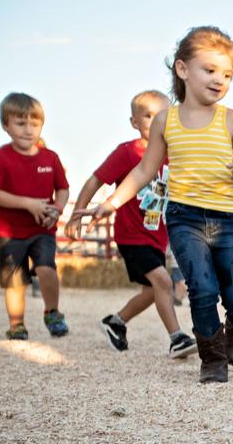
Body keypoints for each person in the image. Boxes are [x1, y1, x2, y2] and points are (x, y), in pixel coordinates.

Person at [81, 26, 233, 383]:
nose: (219, 80)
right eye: (209, 70)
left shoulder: (232, 119)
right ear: (182, 69)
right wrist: (111, 202)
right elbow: (145, 170)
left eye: (227, 74)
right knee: (202, 288)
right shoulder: (166, 121)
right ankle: (212, 359)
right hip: (184, 219)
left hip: (227, 219)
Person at [65, 90, 197, 358]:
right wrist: (77, 213)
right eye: (148, 115)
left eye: (163, 114)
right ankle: (177, 338)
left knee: (152, 290)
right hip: (131, 236)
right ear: (135, 122)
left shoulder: (176, 154)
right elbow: (95, 180)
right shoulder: (127, 152)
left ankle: (116, 322)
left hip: (158, 236)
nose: (157, 120)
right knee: (163, 281)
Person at [0, 93, 70, 340]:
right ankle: (17, 324)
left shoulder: (50, 157)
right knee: (14, 280)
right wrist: (28, 204)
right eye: (20, 123)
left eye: (35, 123)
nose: (28, 129)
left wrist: (58, 209)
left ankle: (52, 312)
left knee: (46, 269)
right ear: (6, 125)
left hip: (43, 229)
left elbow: (62, 188)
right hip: (10, 232)